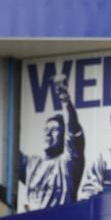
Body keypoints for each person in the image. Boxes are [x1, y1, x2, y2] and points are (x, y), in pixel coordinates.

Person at [19, 75, 85, 210]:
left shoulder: (68, 163)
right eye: (46, 129)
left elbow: (73, 132)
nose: (48, 134)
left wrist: (66, 103)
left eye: (54, 130)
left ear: (64, 136)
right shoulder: (32, 164)